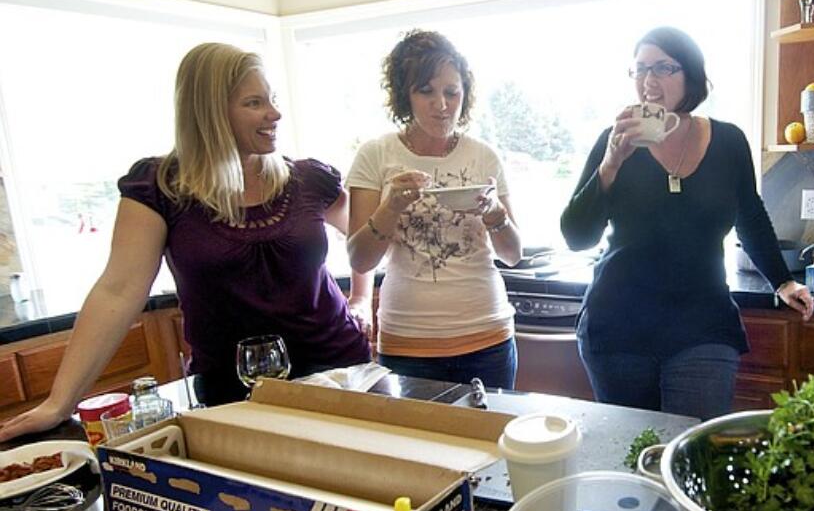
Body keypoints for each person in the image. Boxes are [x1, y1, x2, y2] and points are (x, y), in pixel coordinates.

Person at [0, 43, 371, 442]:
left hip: (336, 371)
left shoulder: (307, 179)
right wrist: (59, 403)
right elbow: (118, 290)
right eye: (254, 102)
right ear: (209, 112)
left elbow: (366, 241)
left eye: (273, 99)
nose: (274, 113)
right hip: (230, 391)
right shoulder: (160, 188)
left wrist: (362, 298)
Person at [560, 26, 814, 420]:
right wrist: (611, 163)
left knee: (694, 453)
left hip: (702, 324)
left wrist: (783, 281)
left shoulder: (728, 142)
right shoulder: (614, 141)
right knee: (634, 453)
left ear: (690, 75)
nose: (649, 81)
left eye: (663, 68)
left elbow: (750, 215)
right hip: (618, 326)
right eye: (640, 69)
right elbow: (577, 236)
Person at [346, 30, 522, 389]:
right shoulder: (376, 155)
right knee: (415, 444)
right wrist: (391, 207)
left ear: (464, 94)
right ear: (404, 95)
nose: (441, 104)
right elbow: (360, 259)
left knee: (489, 442)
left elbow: (513, 255)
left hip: (487, 335)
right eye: (425, 90)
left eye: (451, 92)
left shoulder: (483, 155)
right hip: (408, 339)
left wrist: (494, 215)